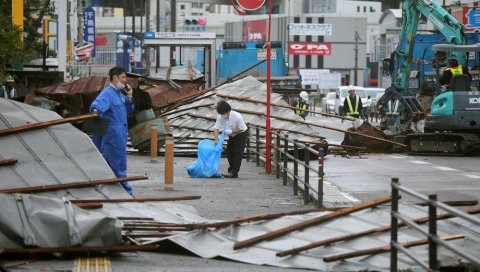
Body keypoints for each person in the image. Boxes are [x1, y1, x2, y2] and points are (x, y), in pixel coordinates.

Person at [90, 66, 134, 195]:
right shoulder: (107, 93)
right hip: (113, 136)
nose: (125, 80)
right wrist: (96, 112)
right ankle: (127, 193)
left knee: (112, 165)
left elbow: (128, 109)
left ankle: (110, 192)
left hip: (120, 134)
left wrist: (130, 95)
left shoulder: (119, 94)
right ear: (115, 78)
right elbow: (96, 106)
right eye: (123, 77)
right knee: (118, 165)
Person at [213, 100, 248, 178]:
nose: (223, 115)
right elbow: (216, 128)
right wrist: (216, 139)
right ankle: (231, 171)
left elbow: (241, 128)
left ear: (228, 111)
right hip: (231, 135)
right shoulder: (220, 117)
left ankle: (233, 172)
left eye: (224, 113)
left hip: (241, 134)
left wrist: (231, 131)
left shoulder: (237, 116)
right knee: (229, 152)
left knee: (237, 152)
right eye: (221, 114)